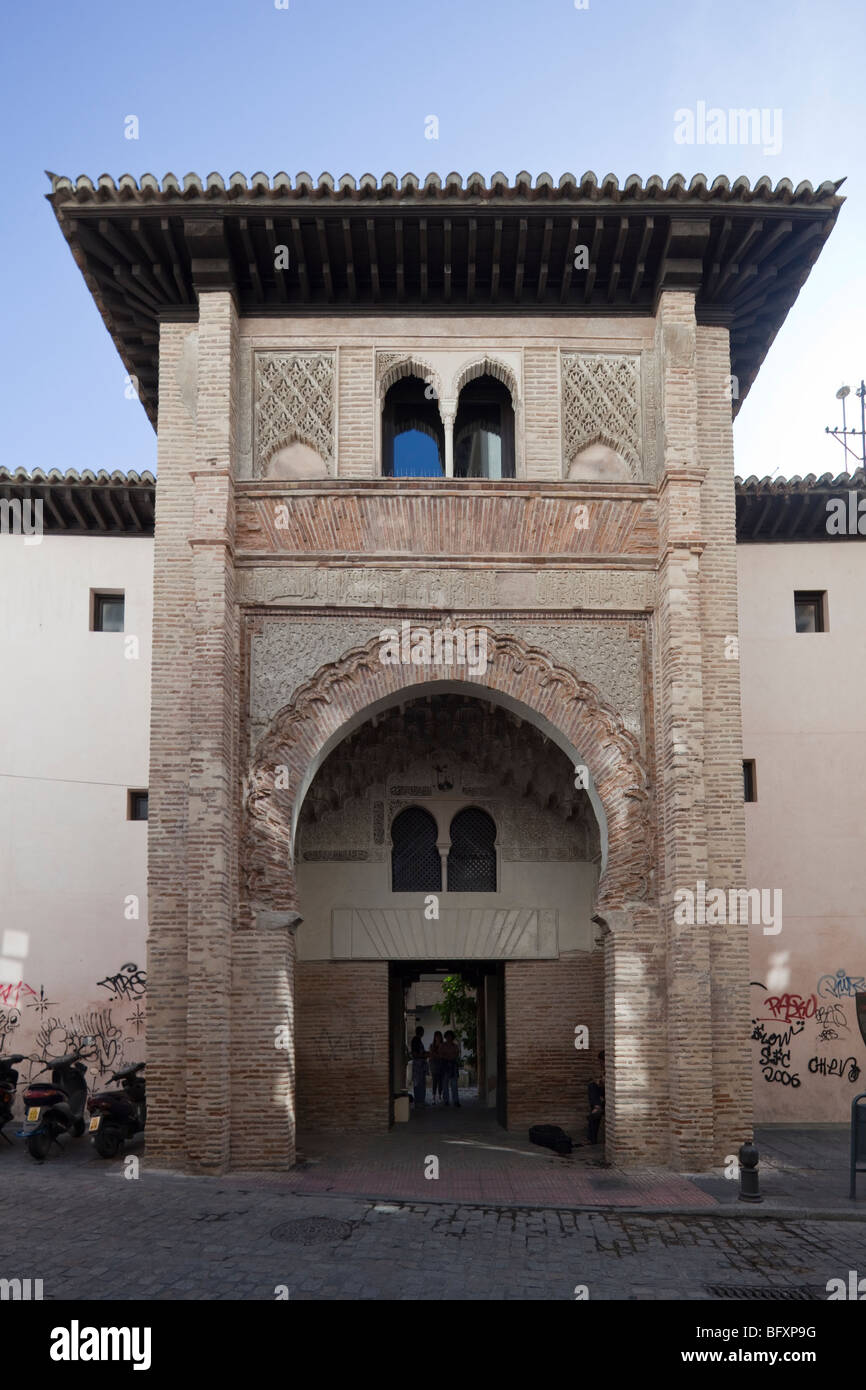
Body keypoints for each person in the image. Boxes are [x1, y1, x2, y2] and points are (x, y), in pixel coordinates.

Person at [439, 1030, 460, 1108]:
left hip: (453, 1065)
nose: (449, 1038)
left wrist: (448, 1056)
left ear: (452, 1037)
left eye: (450, 1036)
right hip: (445, 1066)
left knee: (454, 1084)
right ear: (445, 1037)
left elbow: (456, 1054)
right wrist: (447, 1057)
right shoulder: (442, 1045)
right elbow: (440, 1054)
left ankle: (456, 1101)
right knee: (445, 1084)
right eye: (447, 1036)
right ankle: (446, 1100)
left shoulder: (455, 1046)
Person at [588, 1050, 605, 1143]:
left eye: (601, 1062)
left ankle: (597, 1106)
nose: (600, 1064)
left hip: (610, 1098)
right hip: (603, 1097)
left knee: (592, 1086)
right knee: (595, 1113)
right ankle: (597, 1106)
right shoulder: (605, 1071)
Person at [410, 1025, 428, 1107]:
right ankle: (418, 1101)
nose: (422, 1033)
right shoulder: (415, 1040)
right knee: (418, 1084)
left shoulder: (418, 1040)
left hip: (421, 1065)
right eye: (421, 1031)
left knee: (421, 1083)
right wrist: (424, 1055)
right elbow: (415, 1054)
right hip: (418, 1065)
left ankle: (421, 1101)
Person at [428, 1030, 444, 1104]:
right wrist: (437, 1055)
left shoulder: (443, 1045)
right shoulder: (432, 1045)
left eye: (439, 1036)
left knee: (440, 1081)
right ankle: (434, 1097)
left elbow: (442, 1055)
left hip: (441, 1065)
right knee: (434, 1081)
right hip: (434, 1065)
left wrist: (436, 1055)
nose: (438, 1037)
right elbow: (432, 1055)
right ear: (435, 1037)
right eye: (436, 1036)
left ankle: (440, 1096)